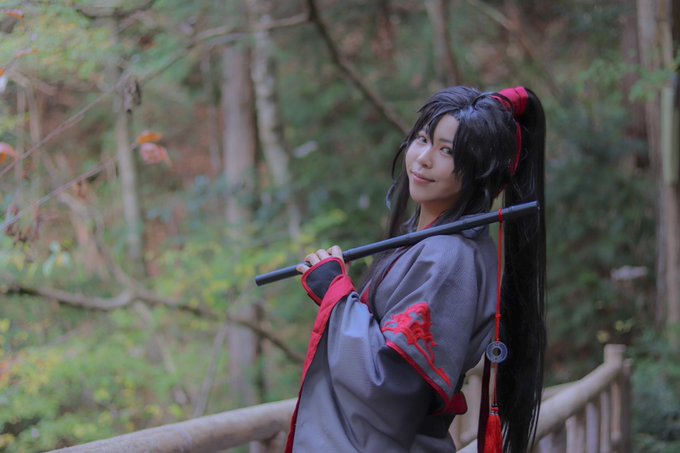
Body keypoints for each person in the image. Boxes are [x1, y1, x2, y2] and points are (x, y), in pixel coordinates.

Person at [286, 86, 546, 453]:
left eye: (447, 151)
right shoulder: (430, 242)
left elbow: (390, 382)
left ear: (481, 170)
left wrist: (338, 296)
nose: (422, 159)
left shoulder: (448, 256)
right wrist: (339, 293)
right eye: (422, 139)